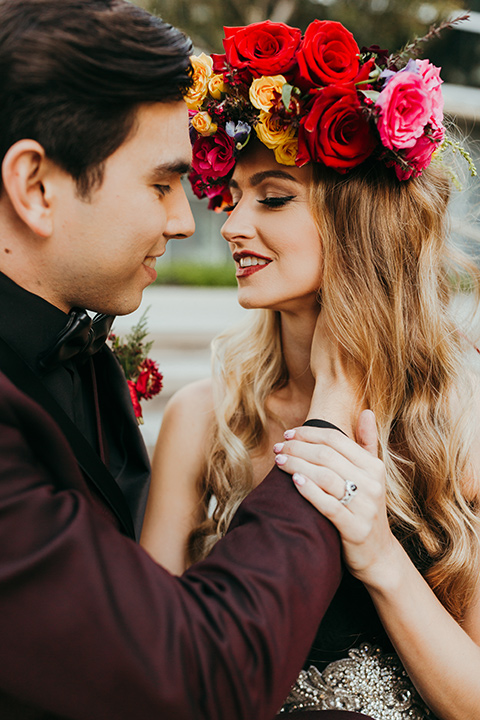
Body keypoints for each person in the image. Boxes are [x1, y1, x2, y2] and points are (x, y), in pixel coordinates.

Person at [0, 2, 376, 719]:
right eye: (161, 184)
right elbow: (190, 677)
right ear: (36, 188)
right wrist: (324, 431)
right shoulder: (206, 416)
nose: (187, 222)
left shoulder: (78, 351)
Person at [141, 17, 480, 720]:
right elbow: (147, 673)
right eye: (231, 197)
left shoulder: (462, 416)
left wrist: (380, 556)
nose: (232, 226)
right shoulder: (203, 419)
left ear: (356, 222)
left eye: (272, 197)